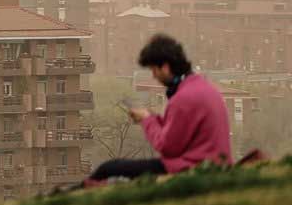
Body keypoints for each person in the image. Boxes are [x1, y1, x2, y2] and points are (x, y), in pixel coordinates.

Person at [87, 34, 231, 183]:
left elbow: (167, 147)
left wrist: (146, 119)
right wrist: (154, 118)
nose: (154, 76)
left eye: (153, 69)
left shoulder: (182, 98)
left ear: (165, 67)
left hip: (195, 167)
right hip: (214, 164)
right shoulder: (204, 87)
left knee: (109, 169)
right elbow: (181, 133)